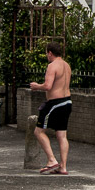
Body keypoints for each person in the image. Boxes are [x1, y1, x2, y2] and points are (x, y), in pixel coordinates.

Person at [30, 41, 72, 175]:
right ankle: (63, 167)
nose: (46, 56)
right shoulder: (67, 65)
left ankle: (51, 160)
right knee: (62, 135)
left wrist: (36, 86)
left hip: (55, 103)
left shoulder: (52, 66)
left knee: (38, 131)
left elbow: (48, 86)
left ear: (50, 53)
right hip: (67, 102)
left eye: (46, 53)